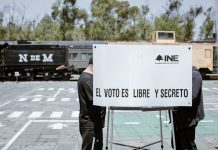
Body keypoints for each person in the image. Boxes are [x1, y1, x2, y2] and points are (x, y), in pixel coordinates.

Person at [171, 66, 205, 150]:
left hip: (189, 116)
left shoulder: (195, 74)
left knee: (186, 143)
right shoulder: (179, 74)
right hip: (178, 114)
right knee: (176, 143)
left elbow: (192, 97)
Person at [77, 56, 106, 150]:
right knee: (89, 147)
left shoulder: (86, 77)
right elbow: (96, 101)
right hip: (90, 122)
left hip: (91, 121)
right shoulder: (88, 80)